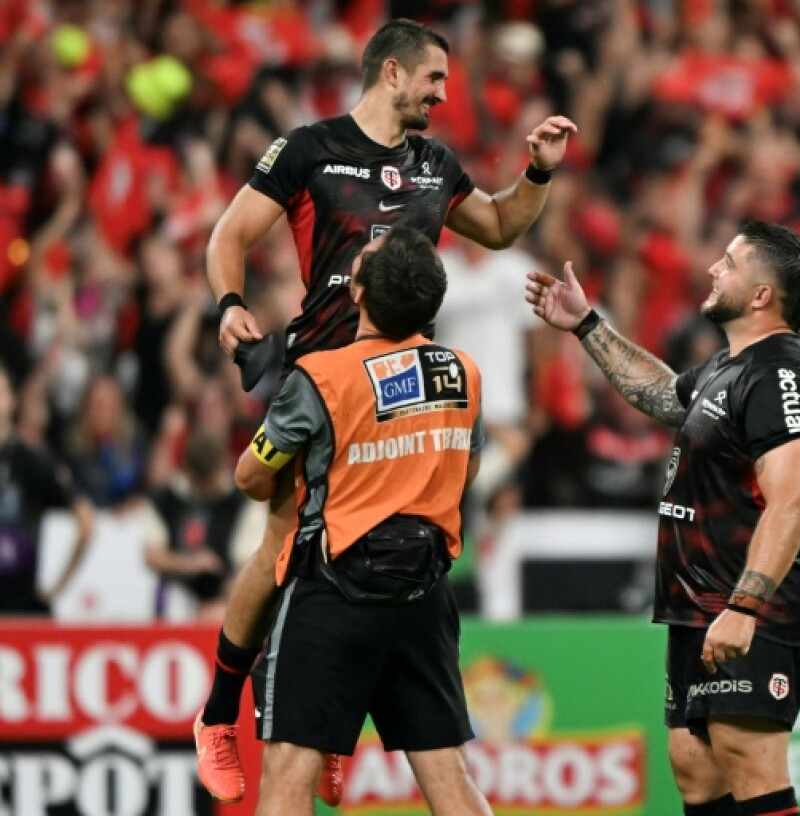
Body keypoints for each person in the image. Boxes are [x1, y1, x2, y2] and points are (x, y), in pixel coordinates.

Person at [197, 17, 574, 804]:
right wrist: (230, 303)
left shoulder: (436, 164)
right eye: (434, 78)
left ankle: (330, 726)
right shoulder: (309, 149)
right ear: (392, 72)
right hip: (323, 382)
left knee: (380, 561)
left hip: (403, 392)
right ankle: (218, 714)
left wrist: (537, 173)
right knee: (283, 547)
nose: (443, 93)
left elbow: (500, 226)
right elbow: (228, 236)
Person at [525, 221, 800, 816]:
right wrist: (587, 326)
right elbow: (664, 394)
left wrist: (745, 608)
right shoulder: (729, 366)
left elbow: (793, 500)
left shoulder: (781, 375)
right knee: (696, 771)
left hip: (750, 604)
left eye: (730, 263)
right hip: (699, 605)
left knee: (748, 758)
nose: (713, 268)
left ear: (762, 295)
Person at [233, 223, 489, 816]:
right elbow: (466, 472)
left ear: (357, 293)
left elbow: (249, 477)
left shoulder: (321, 377)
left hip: (333, 592)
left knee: (287, 775)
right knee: (451, 780)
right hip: (424, 594)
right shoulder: (463, 372)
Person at [0, 366, 95, 615]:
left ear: (12, 401)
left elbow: (86, 522)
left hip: (19, 609)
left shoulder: (33, 461)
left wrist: (56, 588)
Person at [141, 429, 265, 620]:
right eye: (198, 481)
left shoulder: (243, 503)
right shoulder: (166, 500)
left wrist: (224, 599)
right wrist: (189, 564)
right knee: (173, 601)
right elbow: (152, 555)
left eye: (209, 481)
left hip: (225, 596)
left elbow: (247, 568)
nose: (204, 488)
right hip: (177, 594)